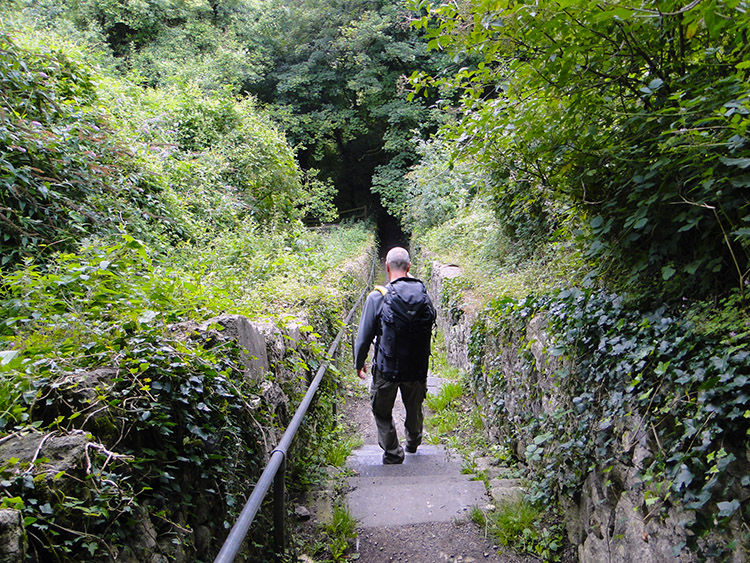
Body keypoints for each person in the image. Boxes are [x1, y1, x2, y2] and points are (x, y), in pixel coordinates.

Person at [354, 246, 435, 465]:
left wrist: (359, 361)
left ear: (387, 267)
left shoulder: (377, 297)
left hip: (386, 368)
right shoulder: (423, 294)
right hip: (417, 367)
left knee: (381, 410)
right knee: (414, 407)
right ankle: (414, 440)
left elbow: (363, 337)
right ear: (409, 267)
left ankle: (392, 452)